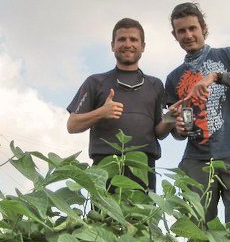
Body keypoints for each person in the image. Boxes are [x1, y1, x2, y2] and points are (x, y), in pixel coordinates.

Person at [165, 2, 230, 227]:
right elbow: (180, 128)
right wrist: (178, 129)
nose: (188, 35)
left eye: (193, 28)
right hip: (196, 161)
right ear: (175, 35)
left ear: (203, 28)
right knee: (198, 237)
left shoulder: (229, 55)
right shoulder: (173, 78)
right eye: (182, 31)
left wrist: (216, 76)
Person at [67, 18, 171, 191]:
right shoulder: (95, 82)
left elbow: (159, 133)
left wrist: (171, 118)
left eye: (133, 39)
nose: (127, 44)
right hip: (105, 167)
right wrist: (101, 112)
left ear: (143, 46)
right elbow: (72, 125)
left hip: (143, 167)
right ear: (112, 45)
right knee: (103, 218)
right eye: (122, 39)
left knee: (142, 217)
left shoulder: (155, 85)